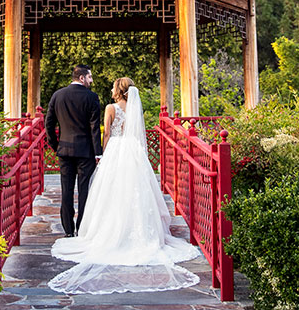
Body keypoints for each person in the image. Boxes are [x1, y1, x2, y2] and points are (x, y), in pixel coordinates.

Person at [48, 77, 200, 295]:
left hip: (116, 150)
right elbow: (137, 133)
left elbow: (107, 132)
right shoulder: (136, 108)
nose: (110, 89)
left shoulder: (110, 107)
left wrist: (103, 152)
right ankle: (138, 233)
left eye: (112, 86)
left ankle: (92, 230)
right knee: (135, 193)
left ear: (118, 90)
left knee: (110, 192)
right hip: (133, 152)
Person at [45, 64, 102, 238]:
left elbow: (49, 123)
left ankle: (68, 230)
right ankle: (82, 227)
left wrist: (55, 145)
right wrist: (98, 152)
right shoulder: (92, 98)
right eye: (90, 77)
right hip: (86, 152)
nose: (92, 81)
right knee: (84, 190)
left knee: (66, 189)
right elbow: (94, 128)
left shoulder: (58, 95)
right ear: (82, 77)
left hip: (64, 149)